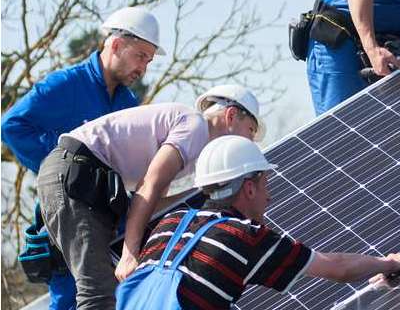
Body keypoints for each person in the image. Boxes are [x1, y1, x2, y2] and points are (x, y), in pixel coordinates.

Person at [36, 84, 266, 309]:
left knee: (107, 292)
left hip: (82, 179)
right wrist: (129, 254)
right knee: (98, 292)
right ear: (231, 115)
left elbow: (152, 204)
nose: (250, 141)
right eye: (250, 130)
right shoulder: (195, 126)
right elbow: (149, 187)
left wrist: (203, 196)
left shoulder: (190, 143)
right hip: (77, 175)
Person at [119, 135, 400, 309]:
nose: (269, 196)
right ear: (249, 187)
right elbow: (337, 267)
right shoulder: (243, 236)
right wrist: (389, 264)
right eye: (265, 183)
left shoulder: (170, 222)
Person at [2, 6, 162, 310]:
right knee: (69, 300)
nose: (143, 69)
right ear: (116, 45)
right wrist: (63, 168)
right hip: (69, 216)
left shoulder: (129, 105)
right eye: (141, 56)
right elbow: (12, 126)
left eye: (149, 61)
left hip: (110, 221)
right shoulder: (66, 85)